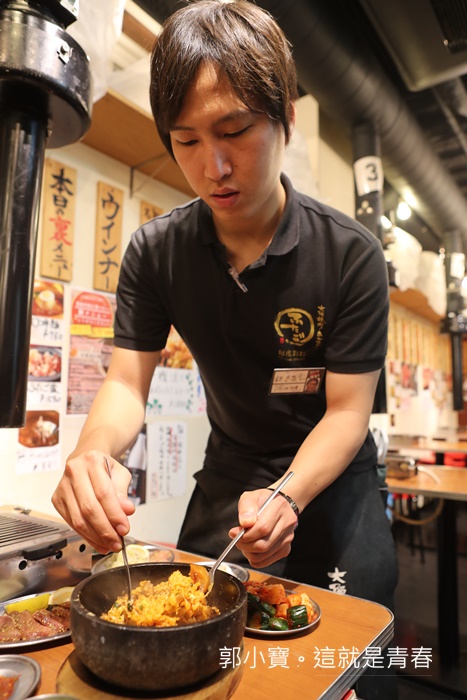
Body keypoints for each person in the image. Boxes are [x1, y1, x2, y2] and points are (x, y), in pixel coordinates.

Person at [52, 2, 398, 695]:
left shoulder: (349, 255)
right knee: (194, 655)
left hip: (334, 483)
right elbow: (125, 383)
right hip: (232, 471)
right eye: (184, 141)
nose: (212, 166)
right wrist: (92, 454)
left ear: (285, 118)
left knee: (346, 664)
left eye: (235, 131)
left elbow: (346, 411)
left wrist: (288, 494)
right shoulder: (157, 252)